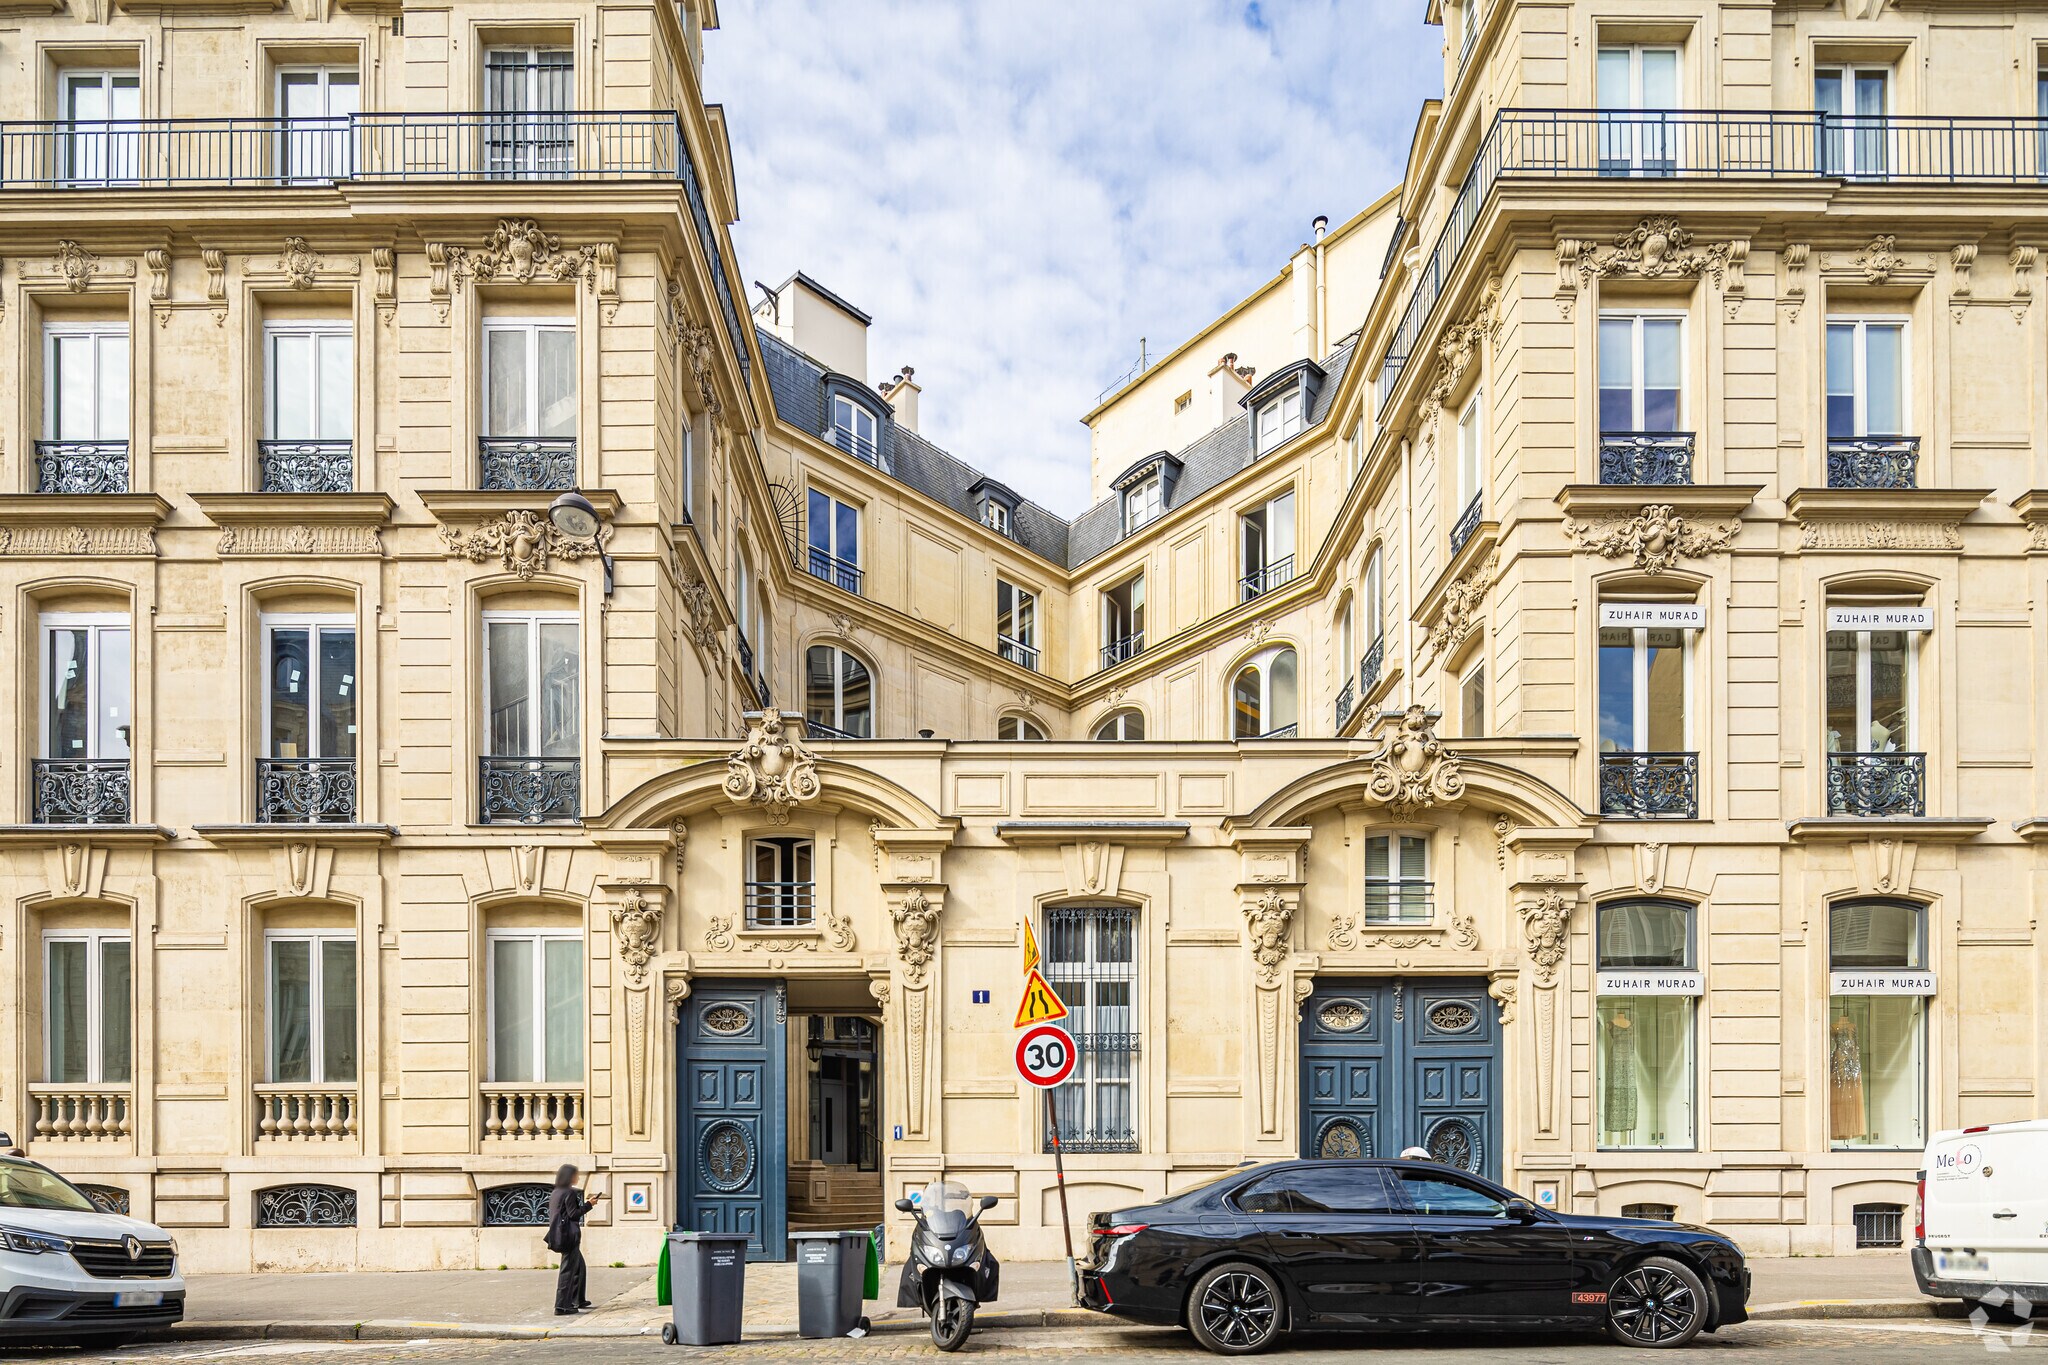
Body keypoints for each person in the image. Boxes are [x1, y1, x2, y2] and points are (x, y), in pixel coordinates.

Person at [545, 1164, 604, 1315]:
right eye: (576, 1175)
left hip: (559, 1234)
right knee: (568, 1270)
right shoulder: (569, 1192)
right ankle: (562, 1306)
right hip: (568, 1236)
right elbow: (573, 1214)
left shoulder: (556, 1192)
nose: (578, 1178)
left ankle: (578, 1300)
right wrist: (589, 1204)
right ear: (569, 1176)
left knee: (579, 1267)